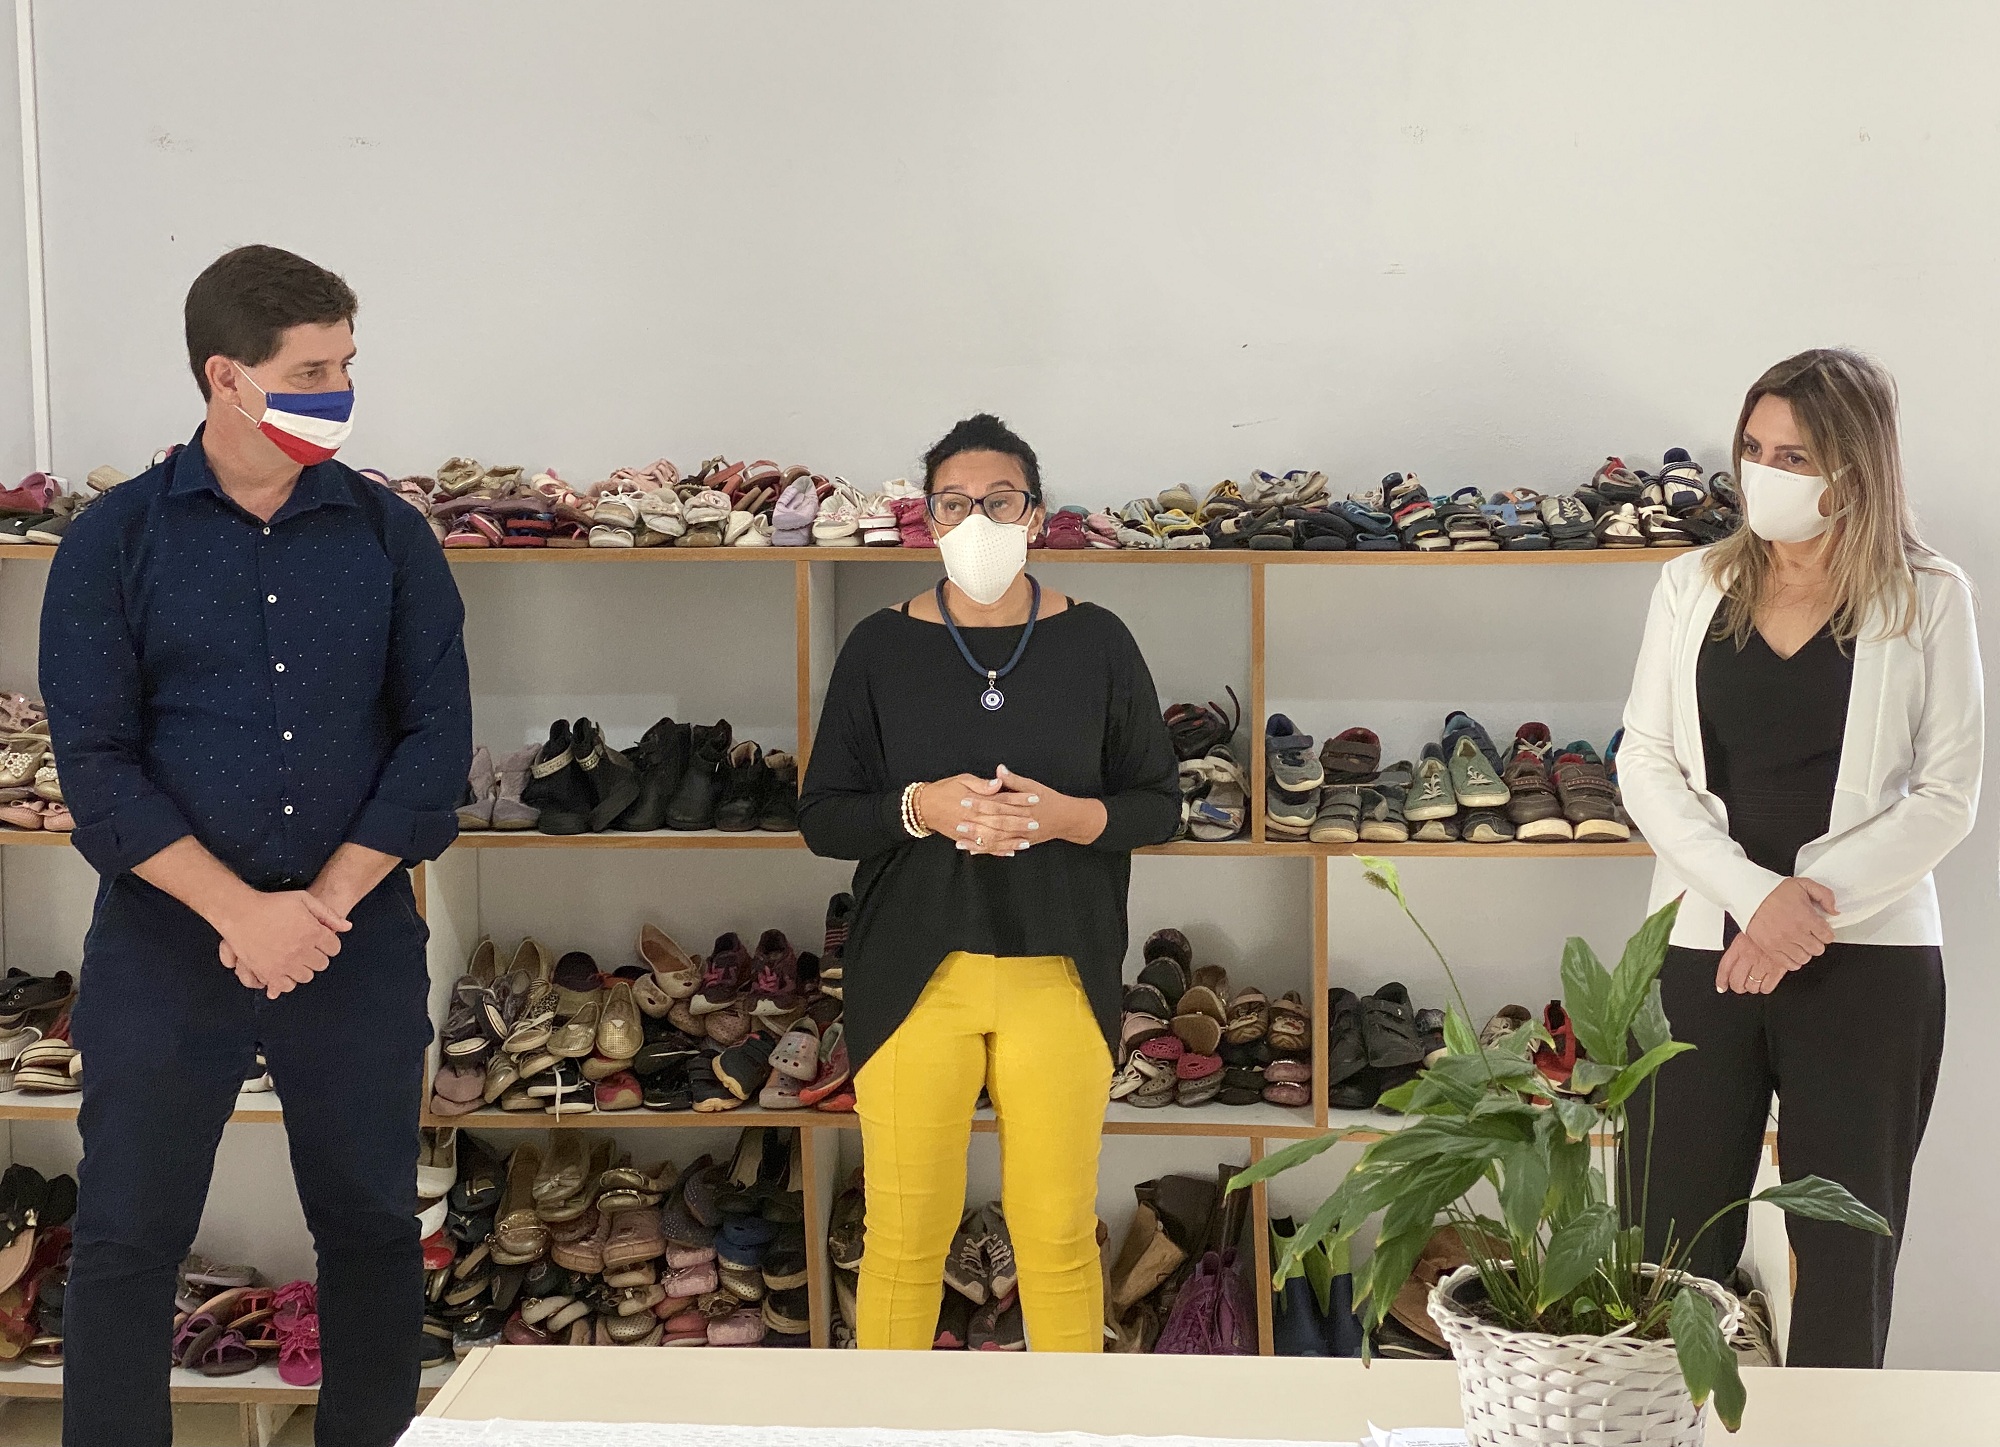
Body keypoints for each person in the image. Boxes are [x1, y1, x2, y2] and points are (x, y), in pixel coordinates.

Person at [42, 246, 471, 1447]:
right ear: (225, 376)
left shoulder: (389, 537)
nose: (340, 390)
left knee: (374, 1227)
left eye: (346, 364)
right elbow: (96, 767)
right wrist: (242, 912)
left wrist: (318, 906)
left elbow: (436, 740)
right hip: (168, 939)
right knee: (127, 1235)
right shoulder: (112, 542)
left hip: (353, 932)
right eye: (312, 370)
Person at [1619, 348, 1982, 1368]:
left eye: (1793, 455)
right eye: (1752, 447)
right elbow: (1643, 760)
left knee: (1842, 1263)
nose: (1763, 472)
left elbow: (1948, 794)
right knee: (1662, 1252)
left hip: (1869, 967)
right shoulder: (1689, 584)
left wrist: (1805, 910)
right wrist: (1755, 900)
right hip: (1704, 951)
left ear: (1854, 469)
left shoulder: (1929, 595)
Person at [799, 413, 1179, 1351]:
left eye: (999, 501)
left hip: (1061, 968)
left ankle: (1067, 1418)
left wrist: (1068, 817)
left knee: (1058, 1239)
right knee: (902, 1241)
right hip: (910, 975)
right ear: (927, 519)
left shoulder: (1099, 641)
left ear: (1036, 515)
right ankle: (891, 1419)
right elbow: (823, 816)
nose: (977, 520)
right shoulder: (878, 647)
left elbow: (1158, 804)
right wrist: (918, 807)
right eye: (954, 502)